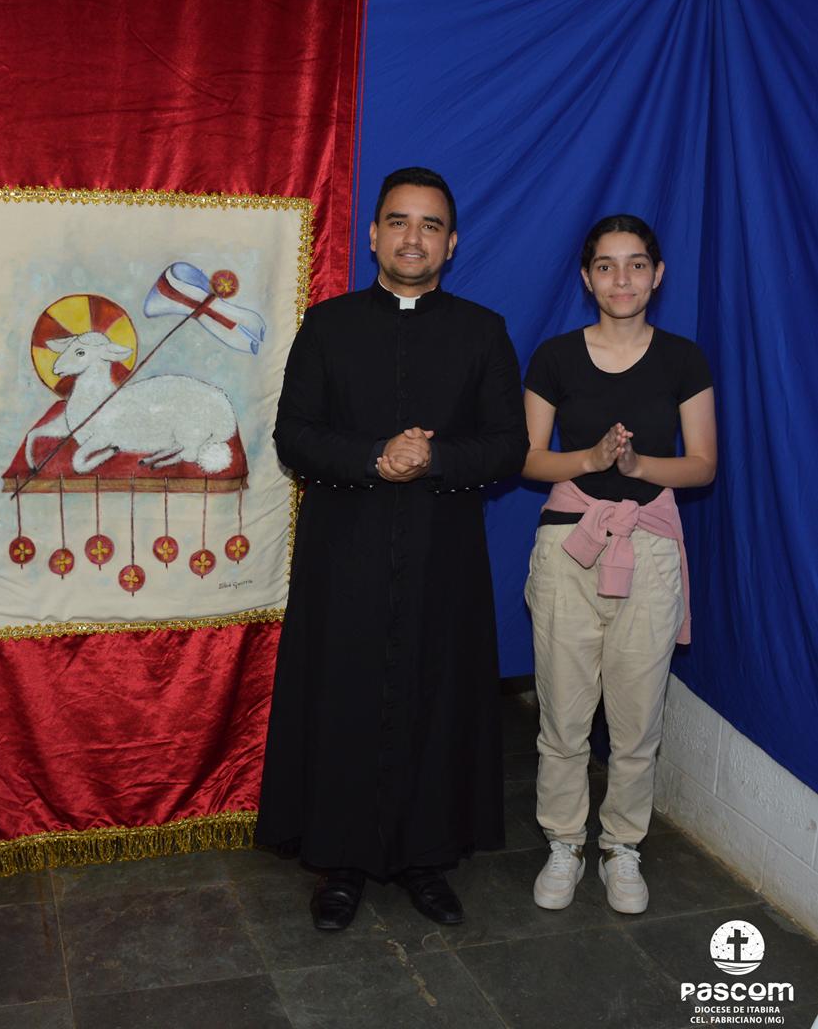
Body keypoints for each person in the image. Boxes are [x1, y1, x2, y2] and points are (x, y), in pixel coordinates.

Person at [256, 167, 528, 930]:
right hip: (344, 555)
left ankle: (423, 859)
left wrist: (433, 458)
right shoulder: (328, 325)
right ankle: (340, 862)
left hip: (443, 558)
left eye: (430, 225)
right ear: (372, 235)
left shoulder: (482, 331)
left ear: (451, 243)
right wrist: (375, 456)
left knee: (435, 700)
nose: (414, 238)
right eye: (399, 222)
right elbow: (294, 436)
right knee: (341, 699)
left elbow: (507, 445)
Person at [523, 215, 716, 915]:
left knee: (637, 720)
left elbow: (702, 464)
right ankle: (563, 842)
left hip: (650, 549)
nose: (621, 279)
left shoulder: (683, 360)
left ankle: (621, 847)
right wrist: (592, 459)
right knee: (563, 715)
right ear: (587, 277)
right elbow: (527, 457)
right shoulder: (553, 358)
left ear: (657, 275)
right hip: (568, 548)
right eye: (606, 266)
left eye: (636, 265)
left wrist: (636, 466)